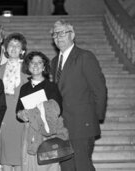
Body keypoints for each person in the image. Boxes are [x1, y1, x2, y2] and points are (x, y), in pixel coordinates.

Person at [50, 19, 107, 171]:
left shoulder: (85, 57)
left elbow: (99, 89)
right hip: (61, 127)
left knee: (83, 166)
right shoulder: (54, 62)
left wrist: (95, 117)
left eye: (62, 32)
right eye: (55, 34)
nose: (58, 36)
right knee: (67, 167)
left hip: (82, 124)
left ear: (72, 35)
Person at [16, 51, 63, 171]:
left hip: (47, 131)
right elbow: (18, 110)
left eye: (39, 63)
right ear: (28, 66)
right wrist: (21, 114)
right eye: (32, 62)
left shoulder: (51, 86)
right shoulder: (24, 88)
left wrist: (38, 111)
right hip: (29, 131)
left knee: (47, 165)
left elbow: (58, 109)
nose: (35, 65)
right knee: (29, 165)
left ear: (44, 67)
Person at [0, 32, 28, 171]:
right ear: (5, 49)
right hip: (3, 115)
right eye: (10, 45)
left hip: (20, 115)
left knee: (20, 154)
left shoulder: (28, 70)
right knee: (5, 155)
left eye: (17, 45)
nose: (13, 48)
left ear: (22, 51)